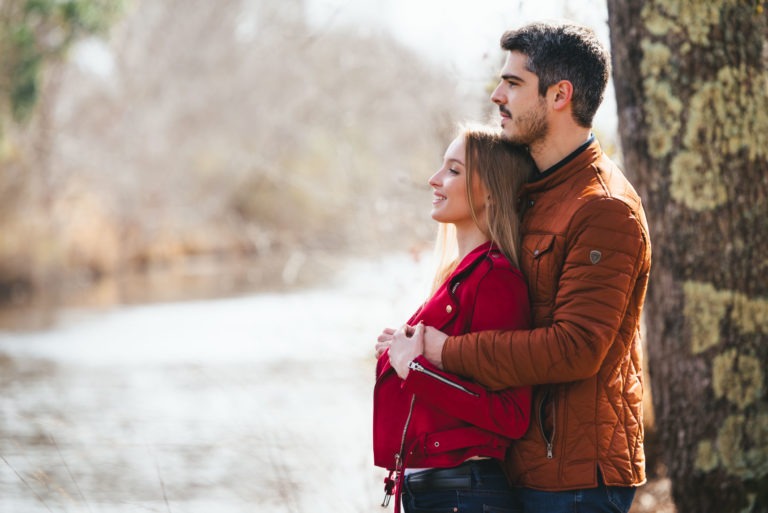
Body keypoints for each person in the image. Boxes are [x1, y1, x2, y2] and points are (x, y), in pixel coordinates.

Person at [388, 21, 652, 513]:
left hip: (574, 480)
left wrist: (448, 352)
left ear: (559, 95)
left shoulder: (604, 209)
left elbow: (575, 349)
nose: (496, 95)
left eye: (513, 83)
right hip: (519, 465)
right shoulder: (533, 192)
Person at [373, 124, 537, 513]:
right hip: (438, 493)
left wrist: (411, 367)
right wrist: (403, 355)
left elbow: (511, 416)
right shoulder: (459, 277)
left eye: (453, 170)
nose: (434, 179)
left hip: (462, 494)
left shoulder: (495, 278)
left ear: (491, 192)